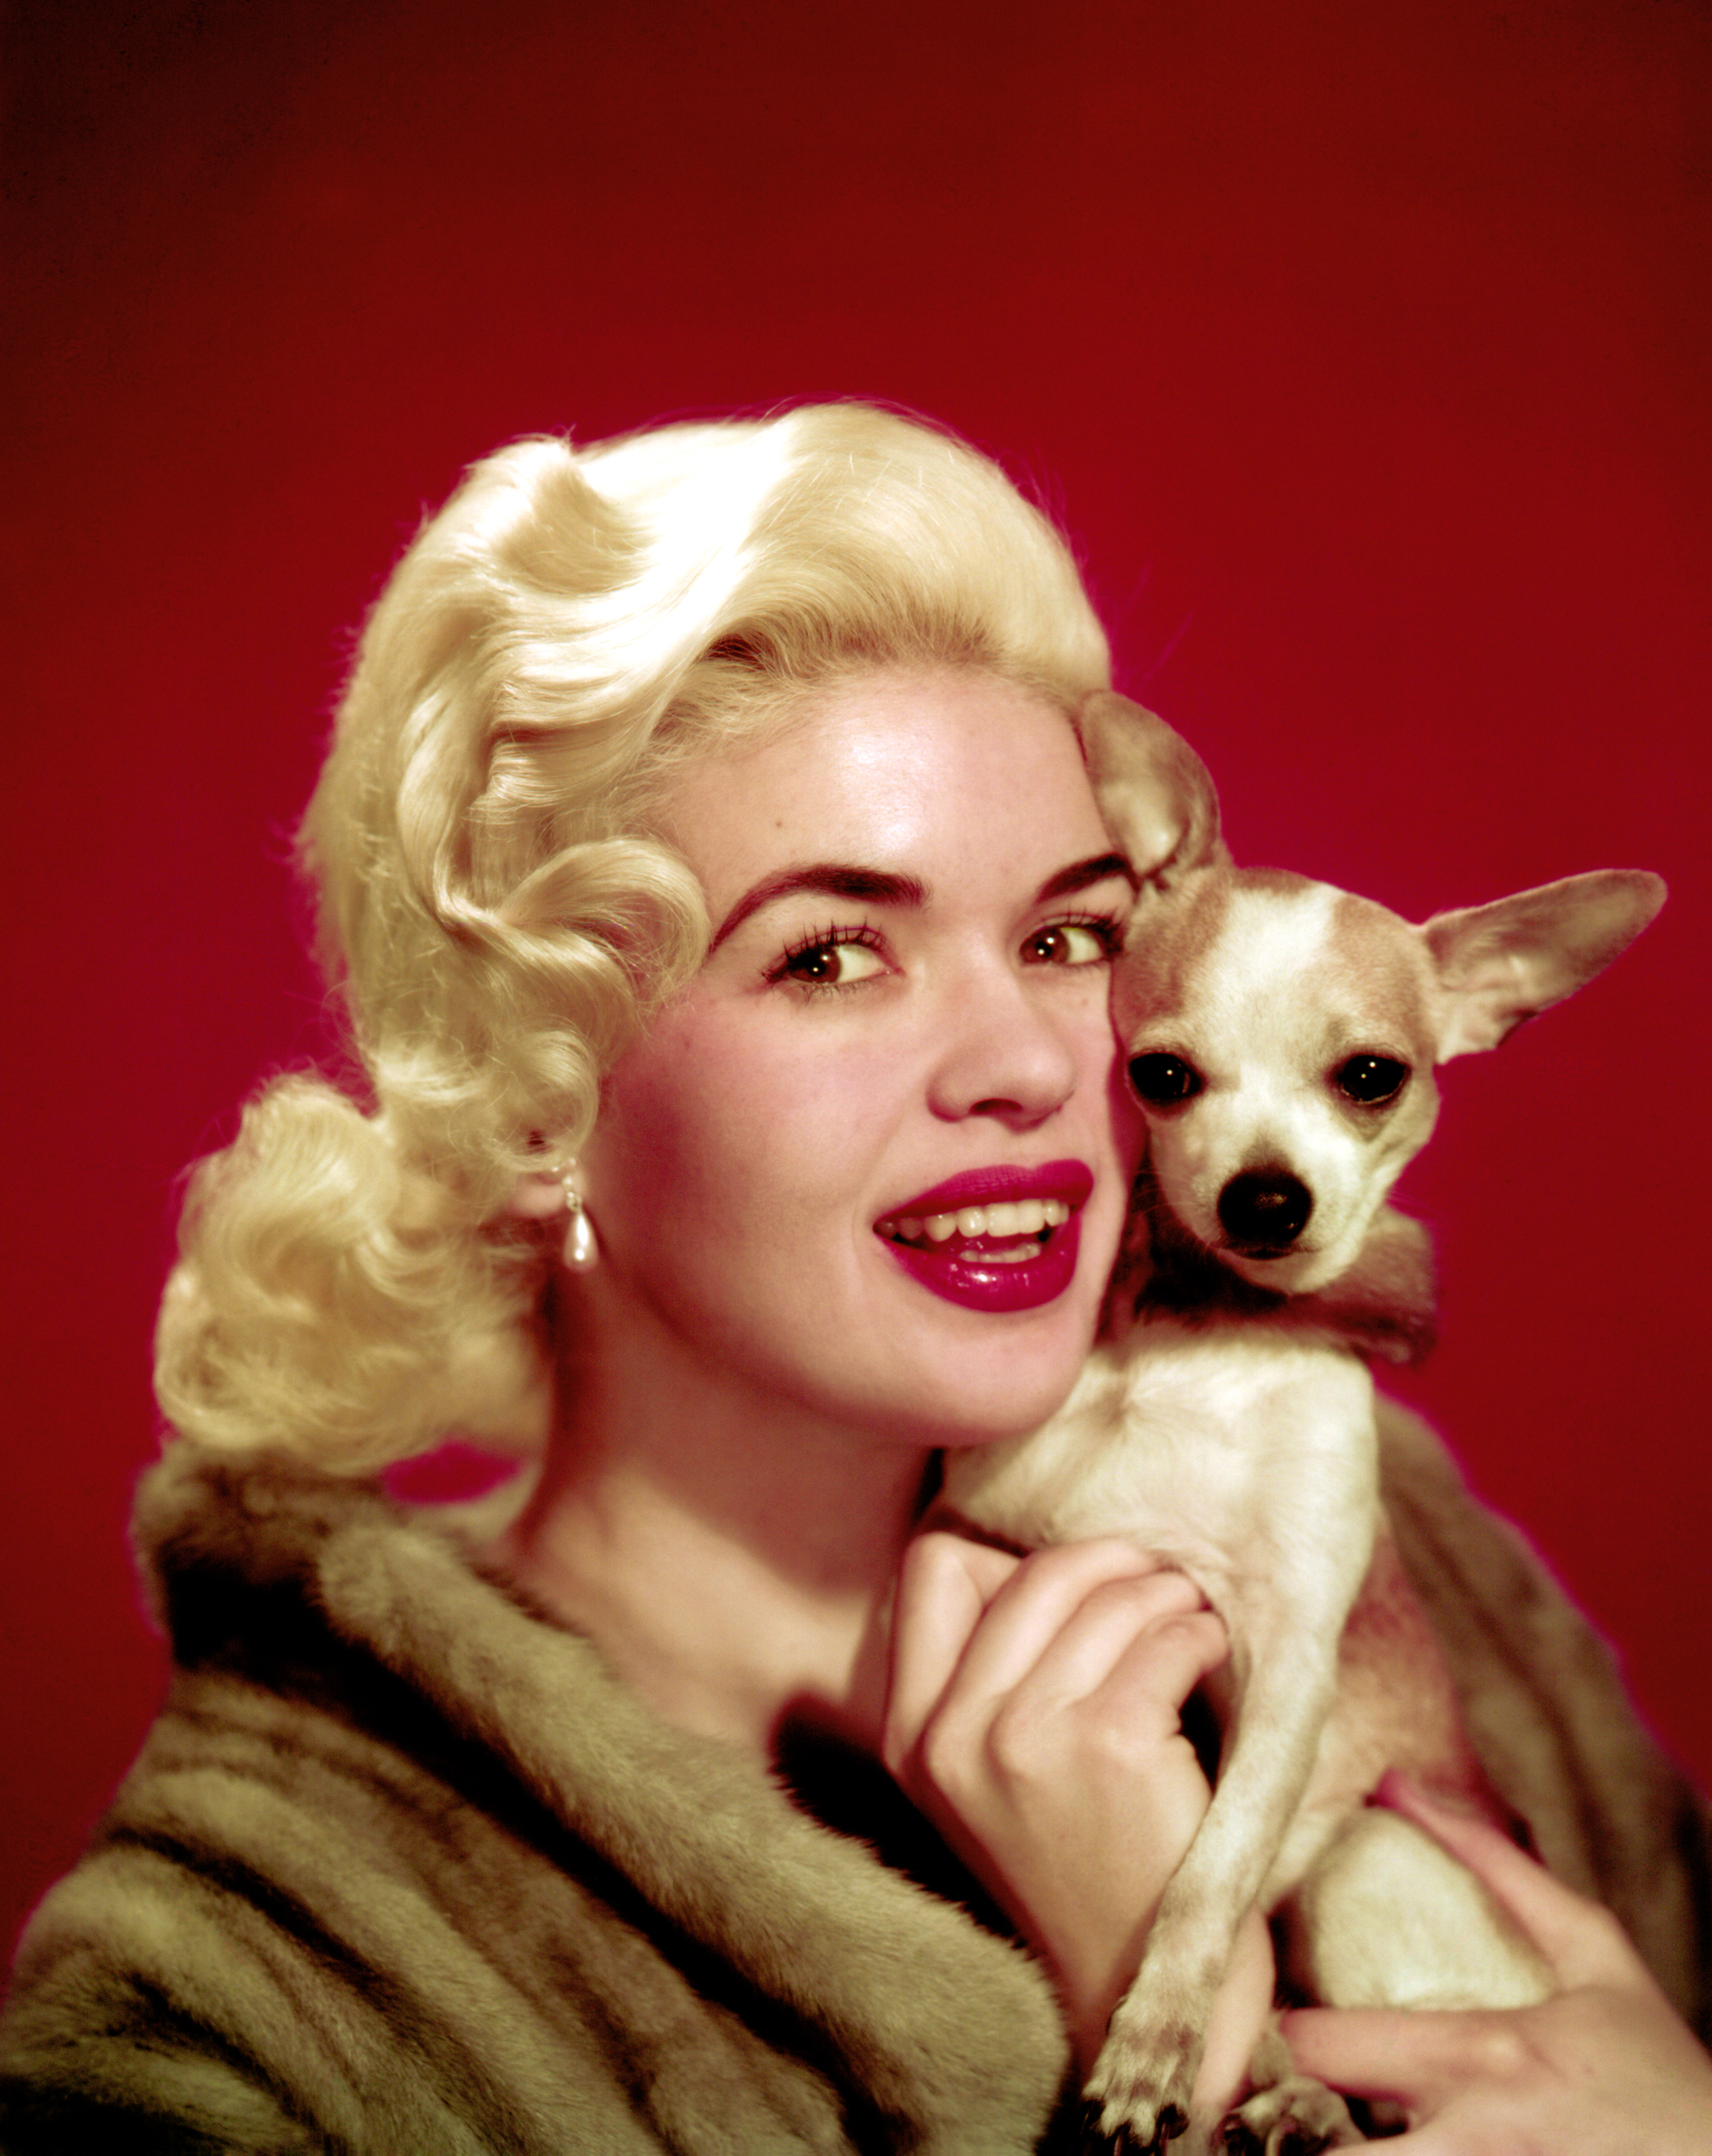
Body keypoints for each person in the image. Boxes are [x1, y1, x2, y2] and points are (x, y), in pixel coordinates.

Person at [1, 404, 1708, 2153]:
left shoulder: (1411, 1571)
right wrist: (1170, 2027)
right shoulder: (246, 1998)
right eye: (830, 955)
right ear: (531, 1097)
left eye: (1069, 936)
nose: (1033, 1061)